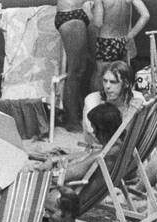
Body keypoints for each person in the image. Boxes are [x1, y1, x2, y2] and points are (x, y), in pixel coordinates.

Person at [81, 60, 146, 145]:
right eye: (105, 81)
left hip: (124, 148)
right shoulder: (93, 100)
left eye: (113, 82)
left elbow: (142, 133)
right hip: (101, 148)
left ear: (126, 84)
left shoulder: (137, 99)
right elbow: (94, 135)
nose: (107, 86)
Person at [54, 0, 93, 133]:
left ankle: (76, 114)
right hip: (70, 14)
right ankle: (71, 120)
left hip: (80, 12)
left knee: (82, 69)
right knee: (74, 71)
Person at [90, 0, 148, 79]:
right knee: (121, 77)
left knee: (102, 77)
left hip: (106, 42)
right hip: (123, 41)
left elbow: (98, 23)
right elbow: (145, 15)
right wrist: (130, 36)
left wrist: (93, 9)